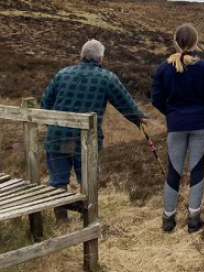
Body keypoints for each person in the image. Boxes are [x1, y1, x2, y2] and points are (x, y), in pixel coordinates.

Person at [41, 39, 149, 221]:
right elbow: (125, 104)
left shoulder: (62, 74)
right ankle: (90, 216)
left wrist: (53, 125)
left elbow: (45, 104)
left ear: (81, 56)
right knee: (88, 180)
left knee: (58, 180)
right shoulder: (107, 78)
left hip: (57, 136)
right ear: (101, 59)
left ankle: (61, 219)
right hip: (86, 140)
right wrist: (140, 118)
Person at [151, 23, 204, 233]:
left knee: (174, 170)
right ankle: (193, 218)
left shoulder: (164, 68)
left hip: (176, 125)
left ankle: (168, 219)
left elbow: (156, 98)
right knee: (197, 169)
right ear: (195, 42)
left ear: (176, 41)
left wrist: (172, 114)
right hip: (200, 124)